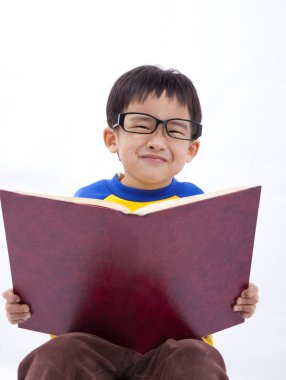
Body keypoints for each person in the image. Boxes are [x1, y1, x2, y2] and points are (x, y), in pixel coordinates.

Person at [2, 65, 259, 379]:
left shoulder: (199, 205)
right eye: (142, 125)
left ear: (191, 148)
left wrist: (241, 299)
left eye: (175, 130)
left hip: (173, 349)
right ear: (112, 138)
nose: (157, 140)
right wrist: (26, 304)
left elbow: (216, 282)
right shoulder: (87, 201)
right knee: (58, 355)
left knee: (196, 358)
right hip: (94, 347)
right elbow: (60, 282)